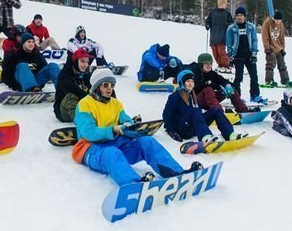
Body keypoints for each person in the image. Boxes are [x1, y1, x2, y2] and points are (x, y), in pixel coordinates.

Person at [72, 68, 203, 185]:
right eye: (105, 85)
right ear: (96, 87)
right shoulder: (85, 104)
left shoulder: (115, 104)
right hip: (91, 149)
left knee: (147, 141)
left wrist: (134, 128)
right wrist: (113, 129)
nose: (109, 88)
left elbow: (127, 121)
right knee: (111, 153)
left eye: (112, 85)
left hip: (116, 144)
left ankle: (176, 173)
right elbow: (88, 133)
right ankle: (134, 184)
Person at [163, 69, 247, 143]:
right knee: (195, 112)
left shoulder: (193, 96)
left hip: (194, 126)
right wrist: (171, 131)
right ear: (181, 82)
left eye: (192, 81)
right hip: (183, 129)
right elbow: (166, 115)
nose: (190, 83)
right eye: (188, 81)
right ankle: (206, 137)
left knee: (216, 110)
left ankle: (230, 134)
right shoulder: (175, 96)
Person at [186, 53, 254, 113]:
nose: (209, 65)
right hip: (197, 100)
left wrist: (227, 85)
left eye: (210, 63)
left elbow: (222, 80)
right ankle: (219, 112)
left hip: (210, 100)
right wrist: (217, 86)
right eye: (206, 63)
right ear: (200, 64)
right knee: (208, 89)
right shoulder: (193, 74)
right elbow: (197, 86)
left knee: (230, 88)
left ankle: (243, 110)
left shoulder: (212, 74)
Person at [226, 6, 262, 102]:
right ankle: (237, 97)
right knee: (238, 77)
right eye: (237, 15)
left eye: (241, 15)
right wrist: (230, 56)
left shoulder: (251, 27)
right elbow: (229, 43)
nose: (239, 17)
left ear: (244, 16)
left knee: (254, 76)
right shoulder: (231, 28)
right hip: (238, 56)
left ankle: (255, 95)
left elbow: (254, 40)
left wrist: (254, 53)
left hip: (249, 55)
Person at [54, 48, 93, 122]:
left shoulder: (87, 74)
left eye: (87, 62)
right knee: (72, 94)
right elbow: (73, 89)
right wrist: (89, 97)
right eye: (82, 61)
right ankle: (81, 123)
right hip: (63, 111)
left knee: (101, 88)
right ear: (75, 61)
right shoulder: (64, 74)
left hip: (83, 107)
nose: (85, 65)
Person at [261, 10, 292, 87]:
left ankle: (285, 80)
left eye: (279, 20)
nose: (277, 22)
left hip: (279, 48)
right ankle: (269, 80)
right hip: (270, 48)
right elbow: (264, 35)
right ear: (273, 18)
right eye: (276, 20)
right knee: (270, 65)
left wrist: (283, 48)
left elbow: (282, 37)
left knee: (282, 65)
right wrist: (267, 48)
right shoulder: (267, 23)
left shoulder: (281, 24)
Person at [205, 0, 233, 72]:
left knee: (221, 51)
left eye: (225, 4)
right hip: (213, 35)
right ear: (220, 4)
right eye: (224, 4)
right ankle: (220, 65)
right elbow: (208, 20)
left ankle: (225, 65)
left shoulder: (227, 13)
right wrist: (207, 25)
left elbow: (231, 22)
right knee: (215, 52)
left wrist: (228, 26)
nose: (225, 5)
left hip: (222, 35)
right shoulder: (213, 12)